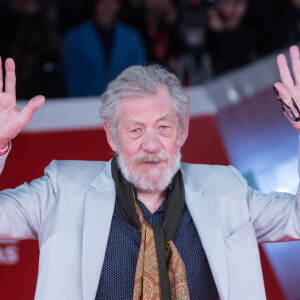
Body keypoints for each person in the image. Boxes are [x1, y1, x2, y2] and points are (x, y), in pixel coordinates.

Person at [0, 46, 300, 300]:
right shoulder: (61, 190)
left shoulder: (227, 189)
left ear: (182, 130)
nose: (152, 144)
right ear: (111, 135)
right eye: (135, 130)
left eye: (163, 127)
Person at [63, 0, 146, 97]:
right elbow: (72, 78)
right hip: (84, 103)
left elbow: (138, 75)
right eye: (102, 1)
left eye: (113, 1)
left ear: (120, 5)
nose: (107, 6)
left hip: (122, 102)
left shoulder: (132, 37)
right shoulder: (75, 37)